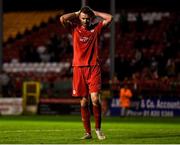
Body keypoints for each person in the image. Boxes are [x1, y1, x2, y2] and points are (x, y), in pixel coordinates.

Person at [60, 6, 113, 140]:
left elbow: (110, 18)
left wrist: (95, 12)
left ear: (91, 18)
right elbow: (62, 18)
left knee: (95, 99)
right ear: (79, 18)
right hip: (78, 68)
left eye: (88, 18)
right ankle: (88, 133)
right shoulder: (74, 28)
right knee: (83, 102)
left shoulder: (96, 28)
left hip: (93, 67)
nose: (85, 20)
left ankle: (98, 129)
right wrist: (77, 12)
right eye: (83, 18)